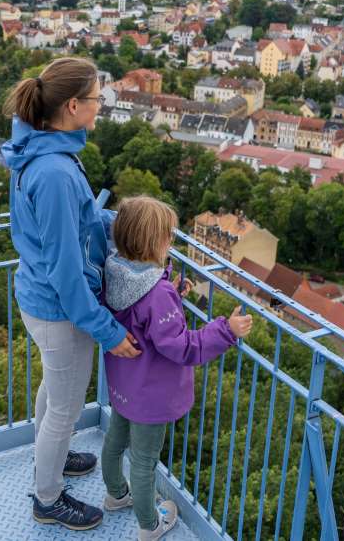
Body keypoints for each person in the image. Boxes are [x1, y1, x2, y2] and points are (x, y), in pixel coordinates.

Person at [0, 57, 141, 531]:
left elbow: (70, 229)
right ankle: (47, 497)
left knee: (53, 390)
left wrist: (113, 224)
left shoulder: (38, 150)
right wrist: (107, 331)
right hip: (59, 307)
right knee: (64, 405)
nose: (101, 106)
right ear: (74, 105)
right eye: (98, 98)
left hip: (39, 296)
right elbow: (65, 269)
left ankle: (52, 460)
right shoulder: (56, 172)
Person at [100, 196, 253, 540]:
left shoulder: (114, 270)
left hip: (124, 384)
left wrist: (172, 291)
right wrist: (226, 330)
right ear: (154, 242)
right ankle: (149, 525)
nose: (172, 241)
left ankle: (115, 494)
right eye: (169, 236)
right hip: (152, 395)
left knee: (115, 441)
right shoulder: (157, 294)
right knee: (144, 462)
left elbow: (142, 318)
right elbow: (181, 347)